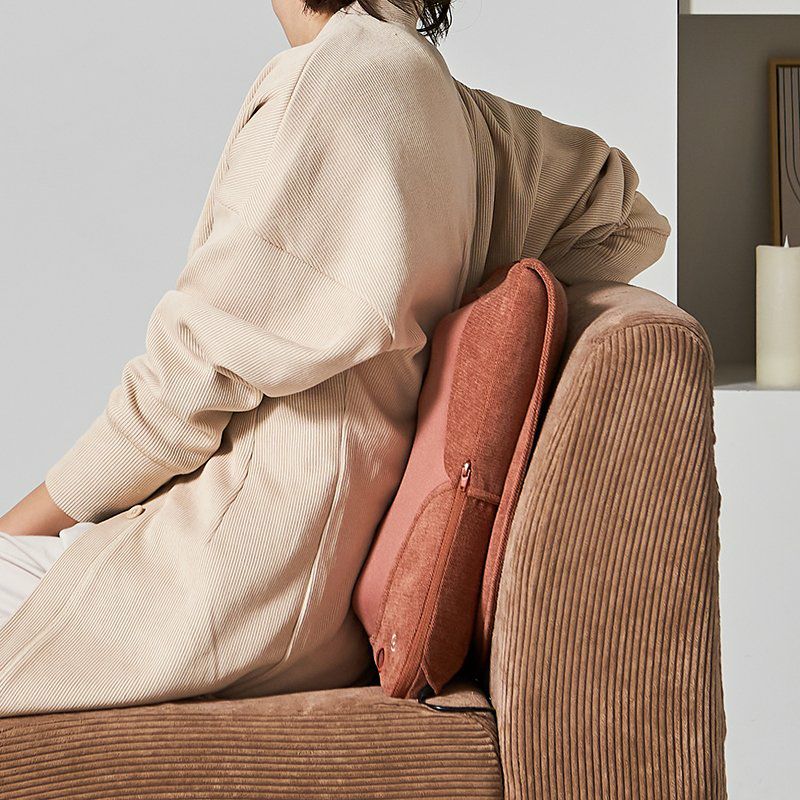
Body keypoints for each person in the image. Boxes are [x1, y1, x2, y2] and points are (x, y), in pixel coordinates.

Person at [0, 0, 671, 717]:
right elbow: (626, 225)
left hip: (235, 576)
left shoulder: (348, 80)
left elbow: (186, 381)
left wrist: (18, 525)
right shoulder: (442, 102)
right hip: (307, 586)